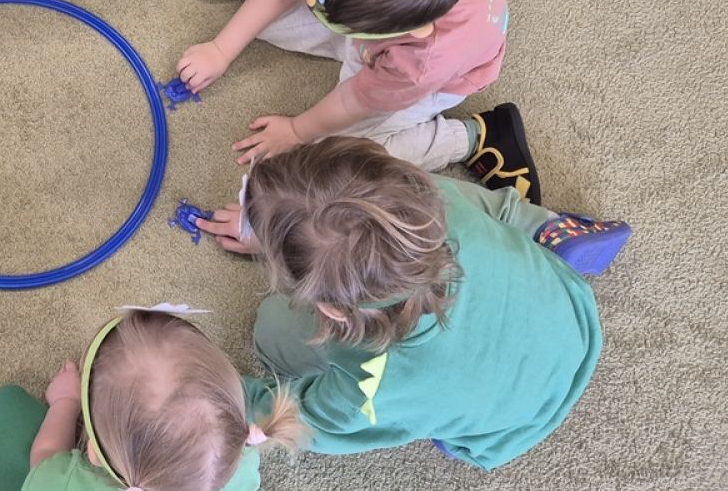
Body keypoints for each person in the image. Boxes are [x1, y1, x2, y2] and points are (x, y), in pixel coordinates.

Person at [198, 138, 630, 470]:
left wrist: (219, 397)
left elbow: (309, 423)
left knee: (271, 330)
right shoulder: (428, 207)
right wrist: (285, 239)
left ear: (331, 308)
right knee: (477, 208)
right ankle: (543, 226)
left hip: (514, 424)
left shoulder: (372, 384)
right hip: (572, 317)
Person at [179, 0, 555, 206]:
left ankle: (474, 138)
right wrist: (220, 49)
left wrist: (296, 131)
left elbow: (351, 101)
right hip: (389, 15)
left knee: (344, 159)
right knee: (262, 1)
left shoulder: (420, 62)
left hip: (436, 78)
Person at [0, 309, 305, 491]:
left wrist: (66, 402)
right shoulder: (241, 462)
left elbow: (43, 462)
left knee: (3, 407)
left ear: (94, 453)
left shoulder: (65, 487)